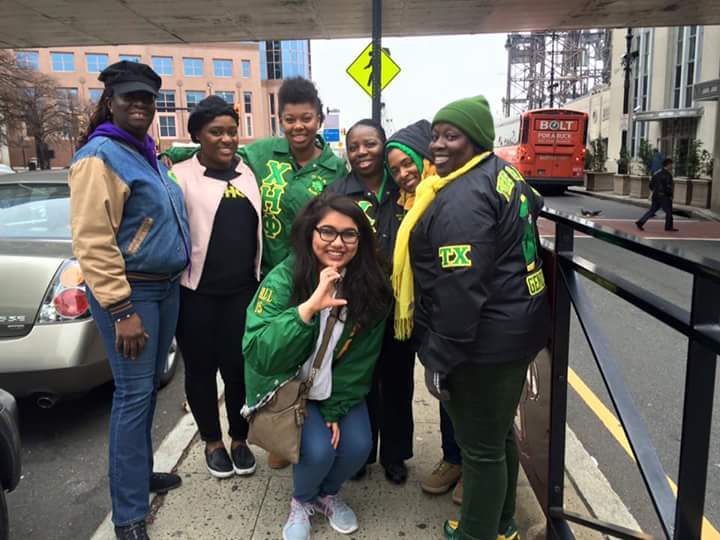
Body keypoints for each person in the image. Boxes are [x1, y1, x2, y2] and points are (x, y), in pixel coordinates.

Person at [392, 96, 550, 540]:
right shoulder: (503, 174)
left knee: (479, 449)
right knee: (497, 437)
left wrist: (440, 358)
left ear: (477, 140)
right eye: (436, 135)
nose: (438, 145)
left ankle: (475, 534)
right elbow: (535, 203)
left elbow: (459, 291)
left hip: (484, 343)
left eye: (452, 136)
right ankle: (502, 525)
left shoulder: (462, 198)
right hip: (515, 327)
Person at [69, 61, 191, 540]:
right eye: (130, 98)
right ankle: (129, 515)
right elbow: (93, 240)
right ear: (111, 102)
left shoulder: (144, 152)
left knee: (146, 394)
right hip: (131, 292)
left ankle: (138, 478)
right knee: (133, 396)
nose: (140, 105)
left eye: (147, 98)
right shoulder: (100, 155)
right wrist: (121, 309)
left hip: (164, 288)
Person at [242, 192, 392, 540]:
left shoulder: (371, 286)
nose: (338, 242)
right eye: (327, 231)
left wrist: (334, 409)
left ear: (361, 240)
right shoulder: (284, 278)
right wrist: (306, 310)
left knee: (358, 446)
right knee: (319, 450)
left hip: (334, 386)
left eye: (349, 234)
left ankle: (327, 494)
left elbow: (361, 360)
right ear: (310, 232)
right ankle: (301, 500)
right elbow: (259, 352)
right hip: (287, 385)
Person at [161, 77, 347, 276]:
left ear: (319, 119)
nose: (298, 126)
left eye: (306, 118)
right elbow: (220, 151)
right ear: (280, 121)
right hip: (266, 276)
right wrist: (171, 154)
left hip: (313, 274)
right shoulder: (263, 152)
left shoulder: (335, 168)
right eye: (290, 120)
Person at [171, 96, 263, 478]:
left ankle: (240, 438)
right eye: (216, 132)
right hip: (195, 294)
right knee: (200, 370)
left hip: (242, 292)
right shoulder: (179, 175)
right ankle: (212, 441)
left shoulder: (248, 172)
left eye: (232, 131)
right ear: (197, 135)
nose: (227, 139)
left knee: (239, 369)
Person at [327, 119, 415, 484]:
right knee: (357, 382)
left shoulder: (405, 188)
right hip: (355, 304)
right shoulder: (337, 193)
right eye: (354, 146)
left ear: (384, 146)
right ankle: (359, 454)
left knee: (397, 382)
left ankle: (395, 455)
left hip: (399, 308)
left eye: (370, 144)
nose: (361, 152)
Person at [386, 120, 463, 502]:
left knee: (463, 392)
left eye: (407, 163)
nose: (403, 174)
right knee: (444, 389)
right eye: (395, 169)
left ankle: (472, 466)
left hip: (456, 313)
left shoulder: (448, 193)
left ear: (424, 157)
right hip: (424, 315)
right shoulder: (407, 204)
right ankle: (454, 459)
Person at [635, 158, 678, 232]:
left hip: (656, 195)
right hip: (664, 196)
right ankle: (668, 226)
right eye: (671, 165)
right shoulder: (668, 175)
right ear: (668, 165)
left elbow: (651, 185)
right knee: (669, 211)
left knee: (652, 210)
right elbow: (668, 187)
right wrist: (670, 195)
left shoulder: (656, 173)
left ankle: (641, 222)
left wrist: (655, 191)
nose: (672, 166)